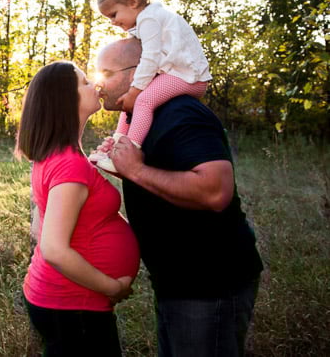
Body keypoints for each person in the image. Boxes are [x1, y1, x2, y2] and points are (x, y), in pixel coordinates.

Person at [95, 37, 264, 357]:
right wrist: (124, 168)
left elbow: (215, 191)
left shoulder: (180, 113)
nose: (98, 83)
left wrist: (137, 172)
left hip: (209, 283)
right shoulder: (141, 116)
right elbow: (160, 173)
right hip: (177, 281)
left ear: (139, 73)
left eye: (106, 73)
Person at [16, 61, 140, 356]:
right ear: (65, 100)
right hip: (72, 305)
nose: (95, 84)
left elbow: (39, 226)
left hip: (63, 303)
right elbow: (54, 249)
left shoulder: (57, 155)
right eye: (85, 82)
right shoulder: (69, 165)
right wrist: (112, 287)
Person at [90, 0, 212, 173]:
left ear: (132, 1)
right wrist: (130, 94)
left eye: (113, 14)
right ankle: (115, 148)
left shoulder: (149, 19)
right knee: (129, 102)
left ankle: (129, 153)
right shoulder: (143, 23)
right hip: (174, 74)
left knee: (143, 100)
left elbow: (150, 58)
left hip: (189, 77)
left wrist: (135, 91)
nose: (112, 22)